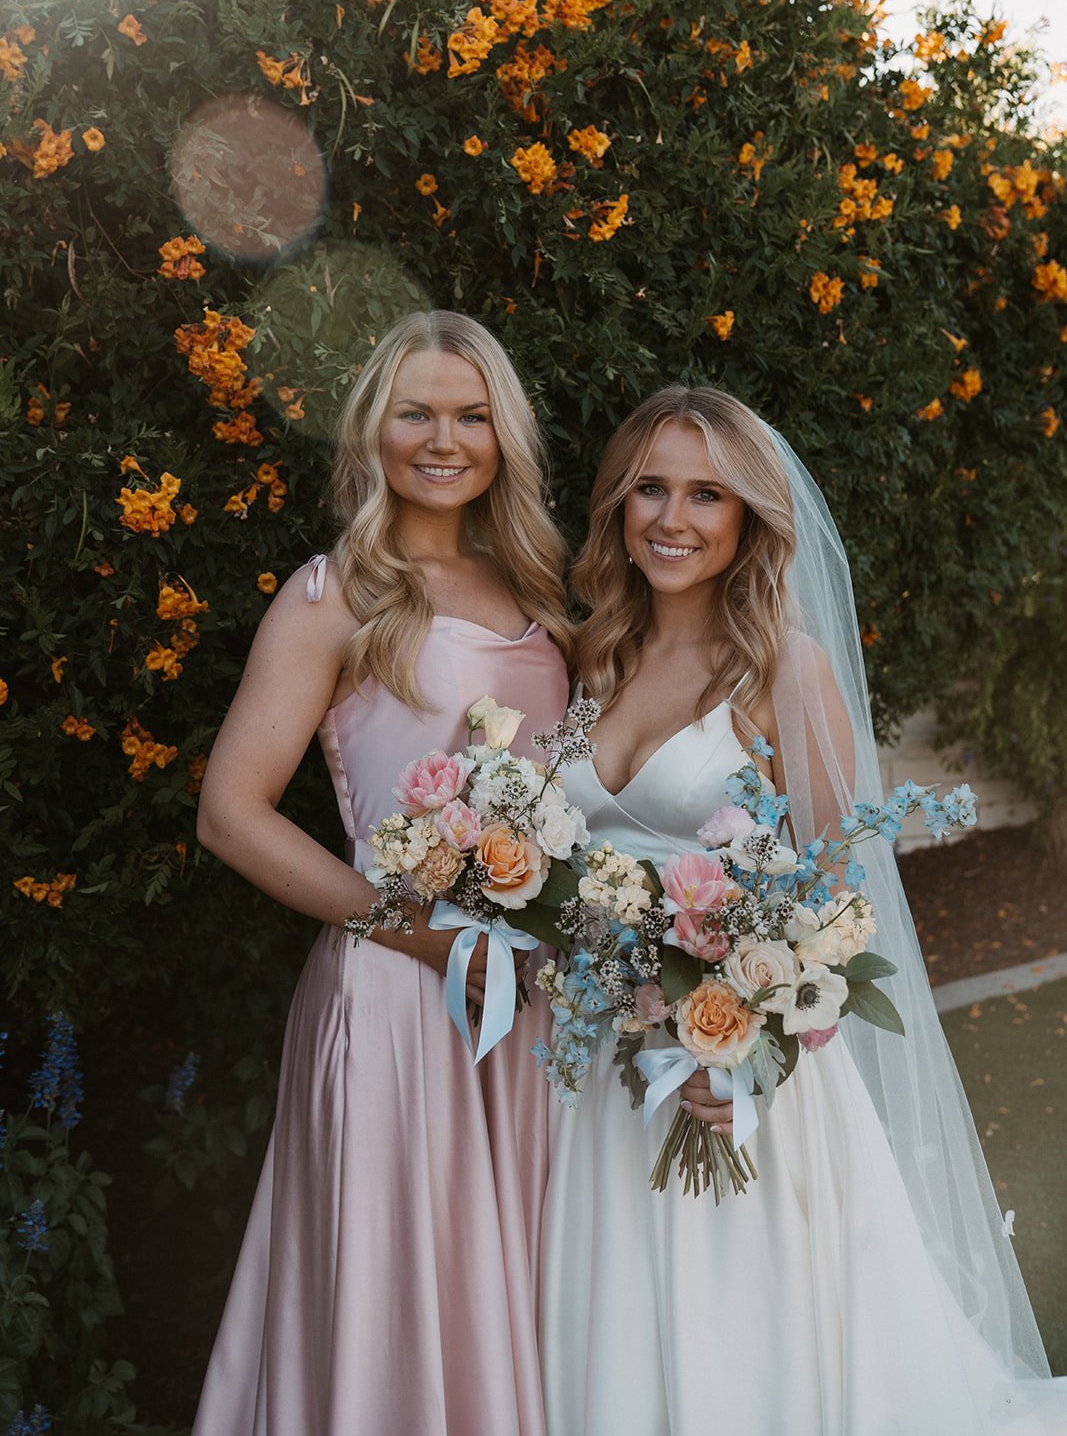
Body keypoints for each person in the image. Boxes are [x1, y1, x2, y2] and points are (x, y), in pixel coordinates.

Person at [540, 385, 1066, 1435]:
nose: (672, 518)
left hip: (739, 1079)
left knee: (752, 1339)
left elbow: (834, 894)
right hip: (596, 1064)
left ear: (746, 519)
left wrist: (745, 1048)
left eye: (705, 493)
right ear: (616, 505)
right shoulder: (587, 655)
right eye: (649, 487)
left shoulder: (779, 664)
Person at [191, 311, 571, 1436]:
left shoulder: (537, 589)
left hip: (529, 1004)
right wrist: (425, 934)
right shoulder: (335, 590)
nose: (442, 439)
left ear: (502, 435)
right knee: (396, 1302)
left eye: (469, 415)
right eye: (416, 412)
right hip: (402, 993)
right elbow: (228, 812)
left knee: (516, 1288)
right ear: (374, 429)